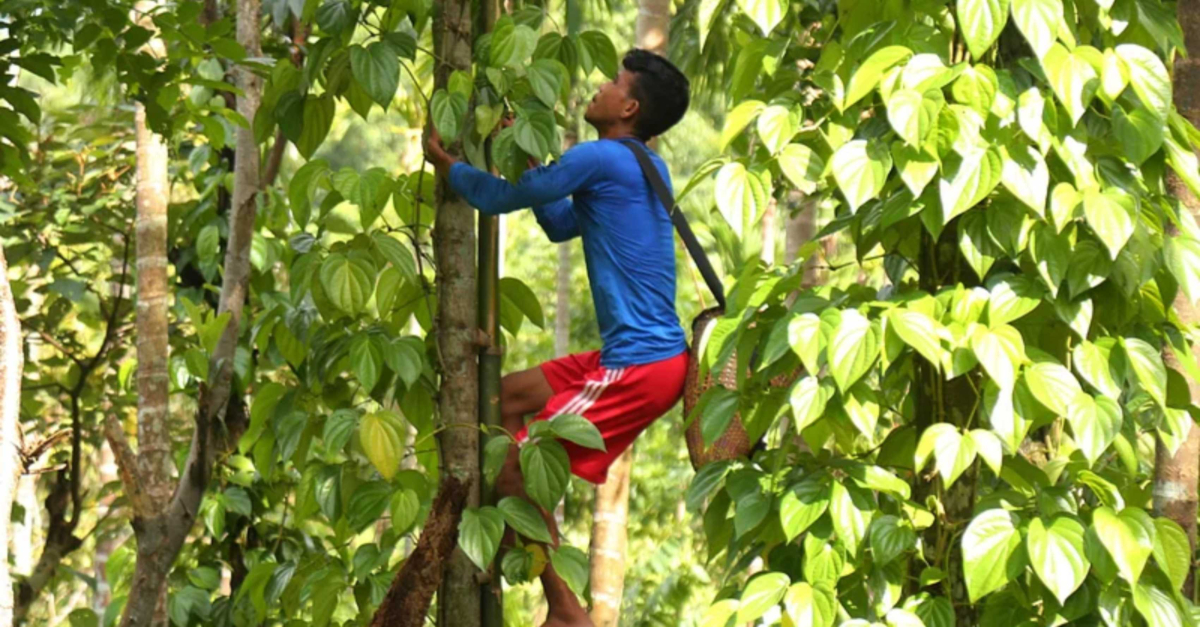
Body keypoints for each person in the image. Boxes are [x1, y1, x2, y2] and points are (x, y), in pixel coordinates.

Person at [426, 48, 691, 627]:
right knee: (500, 402)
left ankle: (566, 610)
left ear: (629, 106)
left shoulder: (602, 158)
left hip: (640, 365)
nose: (600, 86)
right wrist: (519, 146)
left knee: (517, 465)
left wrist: (447, 166)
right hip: (641, 358)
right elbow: (556, 222)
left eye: (613, 82)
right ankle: (524, 526)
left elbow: (495, 199)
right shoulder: (645, 165)